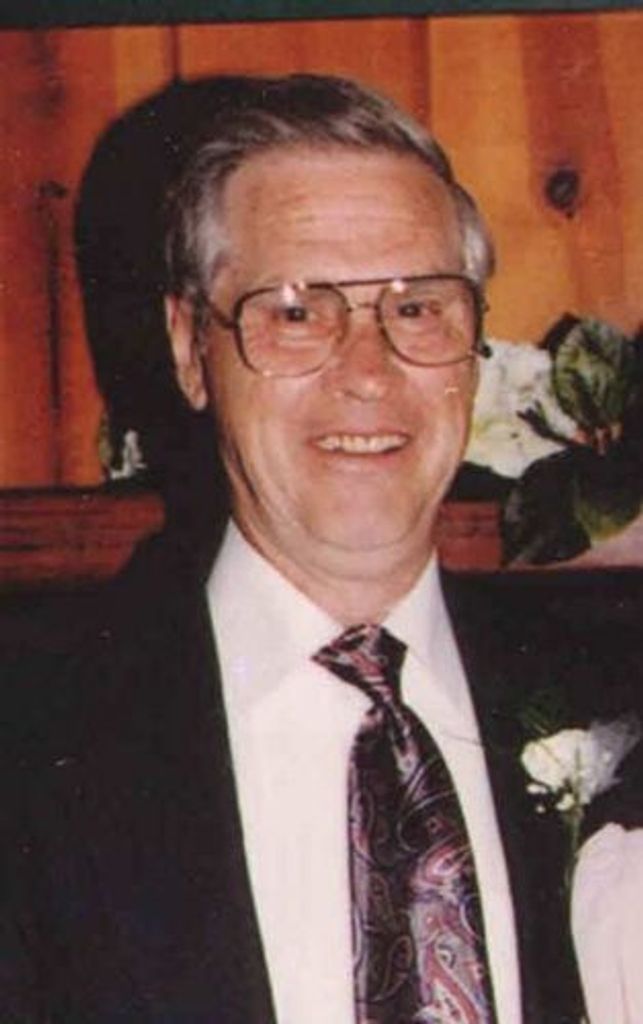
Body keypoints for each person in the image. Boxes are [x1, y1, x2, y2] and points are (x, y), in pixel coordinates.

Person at [2, 73, 641, 1024]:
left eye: (416, 308)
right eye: (295, 312)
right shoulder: (31, 745)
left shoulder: (615, 703)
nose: (367, 372)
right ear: (189, 348)